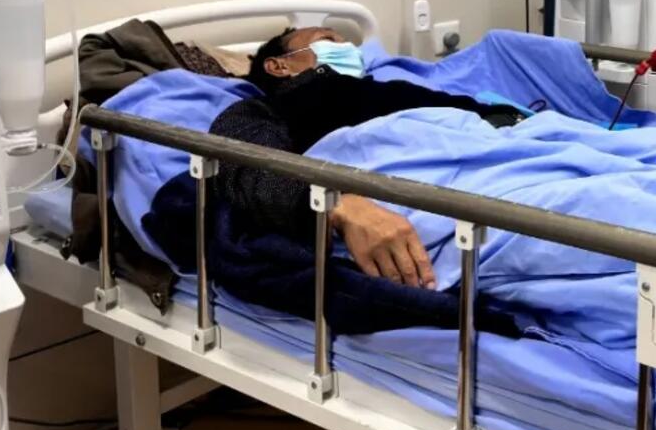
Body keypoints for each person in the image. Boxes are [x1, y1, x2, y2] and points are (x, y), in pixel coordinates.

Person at [212, 27, 523, 288]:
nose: (347, 47)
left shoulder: (394, 89)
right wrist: (337, 203)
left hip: (493, 154)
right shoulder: (265, 110)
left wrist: (514, 123)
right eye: (328, 40)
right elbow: (250, 165)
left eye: (348, 42)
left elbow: (478, 113)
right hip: (425, 192)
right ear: (279, 66)